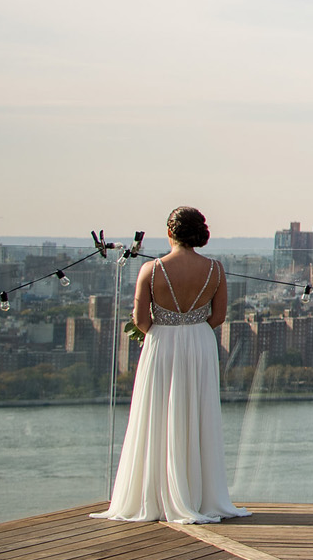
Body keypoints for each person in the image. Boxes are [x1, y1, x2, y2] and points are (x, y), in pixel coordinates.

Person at [92, 205, 249, 524]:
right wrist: (192, 329)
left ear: (169, 232)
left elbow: (140, 320)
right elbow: (218, 317)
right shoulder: (215, 270)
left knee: (158, 414)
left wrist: (164, 336)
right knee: (198, 412)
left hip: (161, 345)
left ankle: (157, 494)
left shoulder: (151, 270)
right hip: (200, 345)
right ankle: (199, 495)